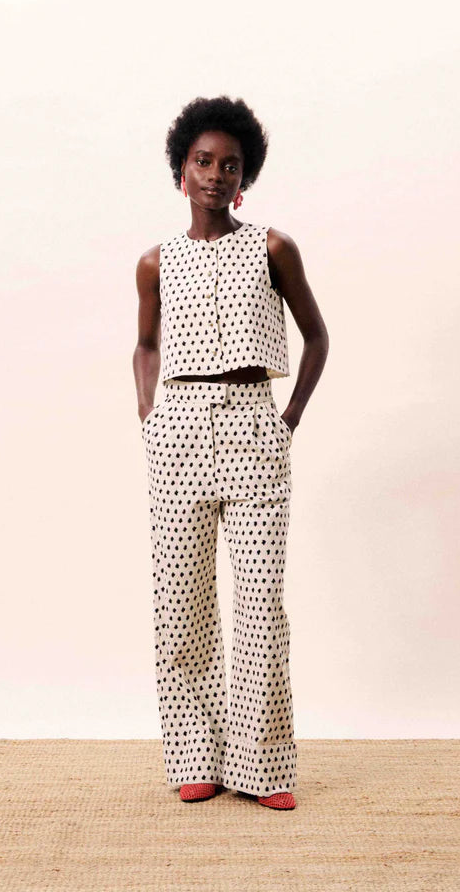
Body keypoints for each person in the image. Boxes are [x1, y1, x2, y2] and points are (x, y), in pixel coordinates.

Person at [133, 95, 329, 810]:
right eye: (203, 162)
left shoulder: (273, 248)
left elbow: (317, 336)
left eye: (231, 165)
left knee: (260, 606)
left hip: (254, 428)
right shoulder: (155, 263)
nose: (216, 174)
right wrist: (150, 416)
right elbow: (146, 345)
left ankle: (263, 767)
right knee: (180, 604)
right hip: (178, 434)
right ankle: (196, 757)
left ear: (245, 177)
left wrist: (288, 418)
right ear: (180, 172)